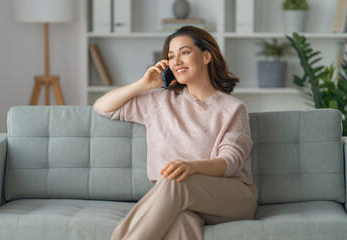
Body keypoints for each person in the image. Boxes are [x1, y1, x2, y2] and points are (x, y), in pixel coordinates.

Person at [93, 26, 258, 240]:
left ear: (206, 56)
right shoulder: (158, 102)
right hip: (179, 199)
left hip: (233, 196)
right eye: (171, 56)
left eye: (185, 52)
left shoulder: (232, 108)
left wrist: (191, 167)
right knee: (182, 222)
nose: (177, 61)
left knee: (175, 181)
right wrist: (144, 85)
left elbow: (230, 161)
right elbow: (103, 107)